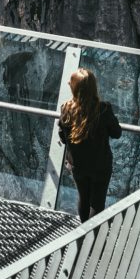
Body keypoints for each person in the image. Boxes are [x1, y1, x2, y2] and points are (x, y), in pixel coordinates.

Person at [58, 68, 122, 222]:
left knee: (84, 198)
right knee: (97, 202)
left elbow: (63, 138)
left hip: (77, 164)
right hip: (101, 164)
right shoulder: (104, 109)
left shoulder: (66, 109)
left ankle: (83, 233)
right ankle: (90, 237)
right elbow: (116, 133)